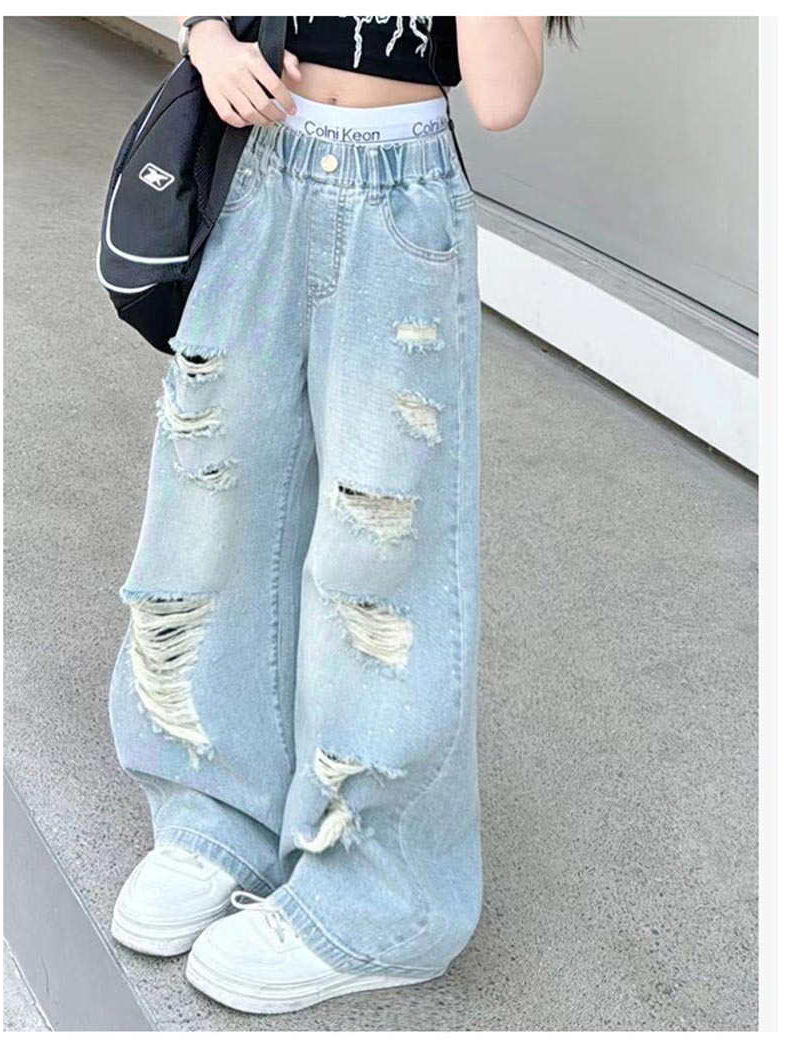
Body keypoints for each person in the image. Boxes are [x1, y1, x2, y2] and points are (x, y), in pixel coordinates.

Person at [108, 14, 572, 1015]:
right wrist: (209, 43)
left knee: (378, 551)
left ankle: (378, 896)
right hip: (264, 171)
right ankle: (216, 813)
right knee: (211, 493)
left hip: (398, 200)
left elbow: (501, 95)